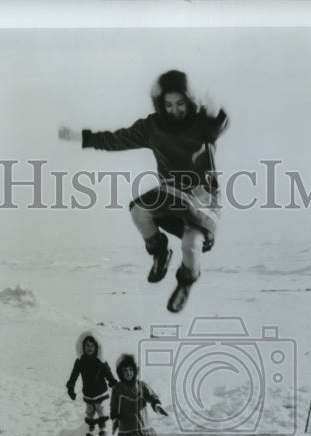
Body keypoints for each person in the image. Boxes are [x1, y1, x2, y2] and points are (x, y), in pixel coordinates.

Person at [59, 69, 229, 312]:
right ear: (160, 104)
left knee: (191, 245)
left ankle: (186, 282)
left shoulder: (202, 124)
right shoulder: (153, 127)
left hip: (202, 199)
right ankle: (159, 252)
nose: (175, 110)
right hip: (171, 195)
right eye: (168, 105)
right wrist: (80, 137)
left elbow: (219, 124)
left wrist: (213, 109)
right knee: (140, 211)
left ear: (190, 101)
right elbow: (115, 140)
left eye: (180, 103)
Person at [110, 353, 167, 436]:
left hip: (140, 424)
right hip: (126, 425)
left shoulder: (141, 385)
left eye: (130, 369)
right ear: (120, 373)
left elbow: (151, 395)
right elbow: (114, 403)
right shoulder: (118, 388)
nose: (128, 373)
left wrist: (155, 404)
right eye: (125, 371)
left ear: (135, 370)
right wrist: (114, 413)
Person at [65, 332, 118, 436]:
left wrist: (114, 384)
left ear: (96, 346)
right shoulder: (80, 361)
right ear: (83, 346)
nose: (89, 348)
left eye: (92, 345)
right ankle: (91, 426)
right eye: (87, 345)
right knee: (90, 411)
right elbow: (74, 375)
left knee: (101, 409)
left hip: (101, 391)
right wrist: (71, 386)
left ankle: (102, 426)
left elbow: (108, 374)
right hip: (88, 392)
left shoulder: (101, 361)